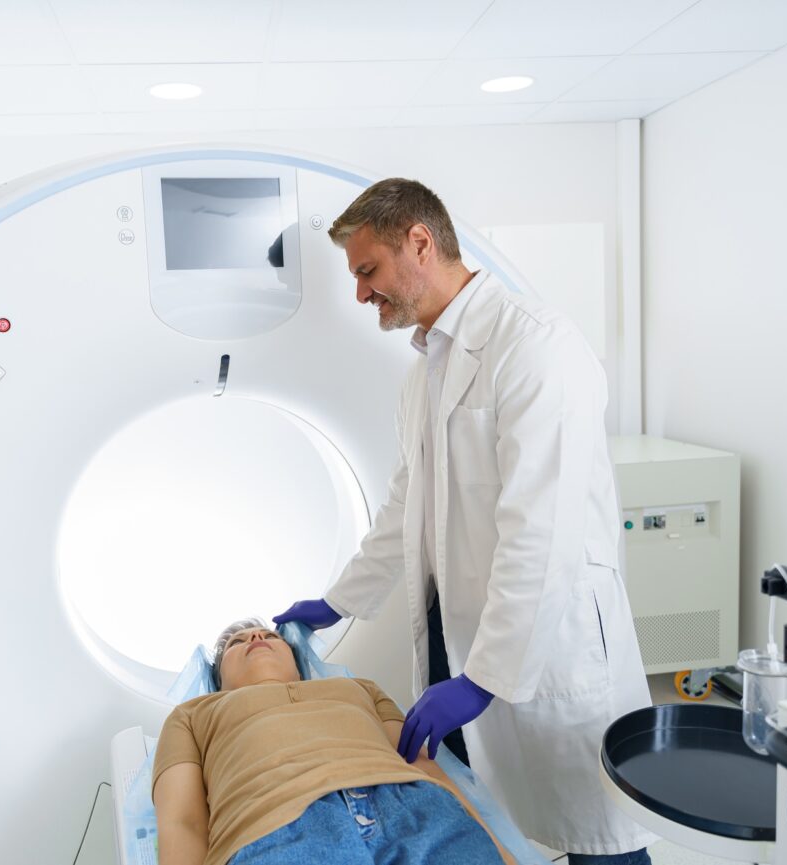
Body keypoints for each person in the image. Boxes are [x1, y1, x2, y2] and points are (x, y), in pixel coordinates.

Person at [275, 179, 655, 863]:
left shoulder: (535, 347)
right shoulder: (423, 374)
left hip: (547, 645)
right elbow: (405, 506)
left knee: (599, 838)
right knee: (485, 833)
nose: (361, 293)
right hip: (463, 640)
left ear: (420, 242)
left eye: (368, 271)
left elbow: (543, 533)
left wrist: (485, 678)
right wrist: (338, 600)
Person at [152, 620, 513, 865]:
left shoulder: (360, 688)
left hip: (420, 810)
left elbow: (422, 764)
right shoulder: (192, 715)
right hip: (271, 825)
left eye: (270, 636)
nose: (256, 639)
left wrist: (500, 850)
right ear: (219, 678)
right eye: (238, 642)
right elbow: (184, 822)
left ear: (296, 661)